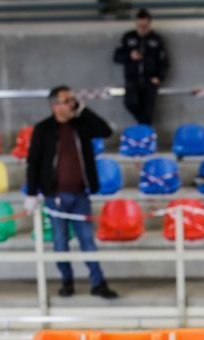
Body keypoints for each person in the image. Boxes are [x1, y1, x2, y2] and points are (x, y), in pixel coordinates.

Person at [25, 86, 118, 299]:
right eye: (67, 101)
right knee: (60, 242)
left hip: (80, 195)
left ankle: (98, 282)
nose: (72, 104)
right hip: (55, 196)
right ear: (55, 105)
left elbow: (106, 131)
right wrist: (31, 192)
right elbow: (34, 162)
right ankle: (67, 281)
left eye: (73, 100)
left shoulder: (81, 125)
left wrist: (83, 109)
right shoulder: (43, 129)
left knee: (88, 240)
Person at [113, 8, 168, 125]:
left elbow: (164, 61)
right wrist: (130, 56)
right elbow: (117, 57)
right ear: (136, 24)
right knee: (131, 103)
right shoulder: (128, 38)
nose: (142, 29)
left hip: (150, 81)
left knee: (148, 112)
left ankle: (146, 134)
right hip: (132, 80)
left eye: (145, 26)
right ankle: (144, 124)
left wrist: (159, 77)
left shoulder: (156, 40)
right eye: (140, 26)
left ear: (149, 24)